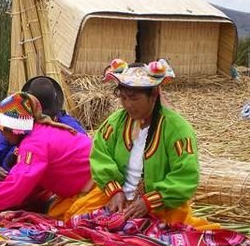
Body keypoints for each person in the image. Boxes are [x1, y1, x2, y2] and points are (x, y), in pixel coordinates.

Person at [49, 58, 218, 229]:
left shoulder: (178, 130)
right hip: (117, 199)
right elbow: (100, 155)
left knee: (171, 231)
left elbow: (185, 175)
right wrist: (115, 191)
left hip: (161, 206)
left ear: (153, 95)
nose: (127, 104)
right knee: (75, 219)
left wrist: (149, 202)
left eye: (134, 98)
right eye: (123, 97)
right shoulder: (115, 123)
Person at [0, 92, 93, 214]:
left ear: (14, 129)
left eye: (4, 130)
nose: (2, 134)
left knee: (66, 219)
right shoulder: (39, 131)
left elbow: (19, 182)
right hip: (82, 187)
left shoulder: (34, 143)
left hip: (95, 188)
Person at [0, 76, 86, 184]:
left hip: (45, 185)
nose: (42, 122)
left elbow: (83, 156)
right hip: (8, 181)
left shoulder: (69, 126)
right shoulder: (15, 128)